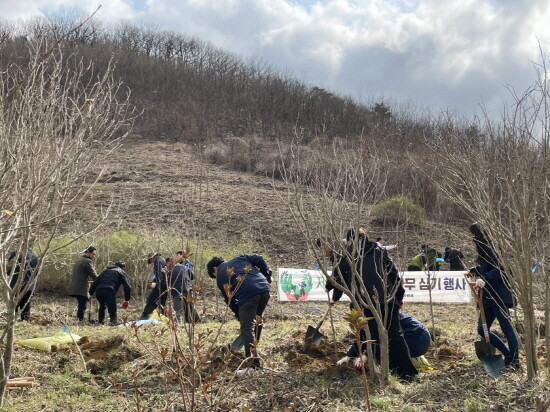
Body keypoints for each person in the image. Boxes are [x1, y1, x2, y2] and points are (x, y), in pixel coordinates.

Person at [331, 230, 418, 381]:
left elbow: (339, 276)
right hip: (388, 299)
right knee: (395, 336)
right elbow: (394, 274)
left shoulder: (349, 253)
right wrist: (399, 296)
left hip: (364, 301)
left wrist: (333, 294)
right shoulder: (380, 251)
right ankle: (407, 375)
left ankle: (377, 371)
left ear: (350, 240)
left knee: (370, 335)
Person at [207, 254, 272, 372]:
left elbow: (229, 300)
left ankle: (253, 365)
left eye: (214, 275)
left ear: (214, 269)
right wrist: (267, 275)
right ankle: (254, 348)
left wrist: (239, 315)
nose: (216, 277)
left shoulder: (221, 275)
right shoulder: (240, 258)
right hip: (264, 288)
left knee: (246, 328)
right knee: (257, 320)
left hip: (248, 294)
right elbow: (259, 259)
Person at [468, 223, 519, 369]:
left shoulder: (493, 249)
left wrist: (485, 278)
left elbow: (502, 269)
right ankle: (508, 355)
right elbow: (487, 268)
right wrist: (476, 270)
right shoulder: (485, 252)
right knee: (481, 329)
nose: (474, 240)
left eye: (475, 237)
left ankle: (515, 361)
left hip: (499, 296)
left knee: (507, 328)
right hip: (487, 297)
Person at [339, 312, 431, 365]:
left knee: (387, 351)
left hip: (417, 338)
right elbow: (363, 337)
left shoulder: (381, 318)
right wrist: (349, 356)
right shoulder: (370, 320)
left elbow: (387, 339)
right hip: (420, 337)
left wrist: (366, 356)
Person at [164, 251, 200, 323]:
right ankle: (196, 320)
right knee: (190, 306)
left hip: (177, 290)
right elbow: (192, 276)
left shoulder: (169, 270)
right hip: (188, 288)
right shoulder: (183, 266)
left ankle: (179, 324)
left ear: (168, 263)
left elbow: (166, 283)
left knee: (178, 308)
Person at [7, 248, 40, 321]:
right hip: (29, 285)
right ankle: (25, 320)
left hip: (15, 284)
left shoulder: (16, 254)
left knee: (14, 305)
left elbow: (8, 270)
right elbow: (37, 272)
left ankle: (12, 322)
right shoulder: (35, 256)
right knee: (26, 305)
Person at [68, 246, 98, 321]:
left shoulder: (79, 261)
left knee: (81, 305)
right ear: (88, 253)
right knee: (83, 305)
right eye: (93, 254)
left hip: (75, 286)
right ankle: (80, 320)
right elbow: (93, 274)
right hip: (81, 287)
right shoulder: (87, 261)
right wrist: (100, 281)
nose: (94, 256)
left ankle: (79, 319)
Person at [139, 252, 167, 320]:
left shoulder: (158, 261)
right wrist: (154, 281)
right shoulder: (162, 260)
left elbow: (159, 274)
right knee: (162, 302)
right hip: (165, 284)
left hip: (161, 285)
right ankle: (165, 317)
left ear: (153, 257)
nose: (151, 262)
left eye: (151, 260)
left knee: (151, 300)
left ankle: (145, 316)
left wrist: (156, 283)